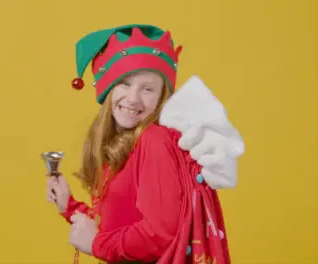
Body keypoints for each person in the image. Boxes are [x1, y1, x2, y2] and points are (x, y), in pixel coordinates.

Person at [46, 24, 244, 264]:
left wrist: (96, 244)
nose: (133, 99)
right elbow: (114, 226)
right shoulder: (123, 144)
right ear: (109, 87)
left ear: (162, 97)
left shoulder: (154, 140)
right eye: (125, 83)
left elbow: (159, 234)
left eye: (147, 89)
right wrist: (68, 205)